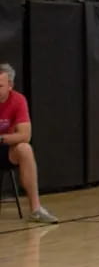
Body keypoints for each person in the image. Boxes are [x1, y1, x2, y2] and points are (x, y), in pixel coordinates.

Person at [0, 63, 58, 224]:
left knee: (25, 149)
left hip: (5, 149)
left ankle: (36, 209)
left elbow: (25, 135)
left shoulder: (18, 100)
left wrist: (2, 139)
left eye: (0, 86)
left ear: (10, 86)